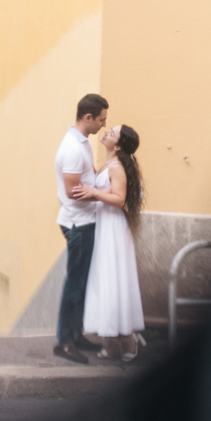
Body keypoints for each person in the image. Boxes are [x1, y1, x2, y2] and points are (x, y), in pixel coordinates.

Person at [76, 124, 146, 361]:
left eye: (112, 132)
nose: (106, 132)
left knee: (114, 278)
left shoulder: (117, 168)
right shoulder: (106, 165)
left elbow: (119, 199)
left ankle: (129, 341)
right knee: (104, 279)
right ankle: (111, 342)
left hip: (113, 229)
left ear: (117, 146)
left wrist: (94, 193)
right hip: (102, 226)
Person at [53, 93, 109, 363]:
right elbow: (73, 191)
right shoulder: (73, 149)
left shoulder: (82, 142)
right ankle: (64, 343)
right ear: (88, 117)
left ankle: (76, 335)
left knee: (81, 282)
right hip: (78, 223)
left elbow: (88, 176)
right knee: (74, 284)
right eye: (101, 120)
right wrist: (100, 194)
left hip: (85, 220)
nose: (103, 125)